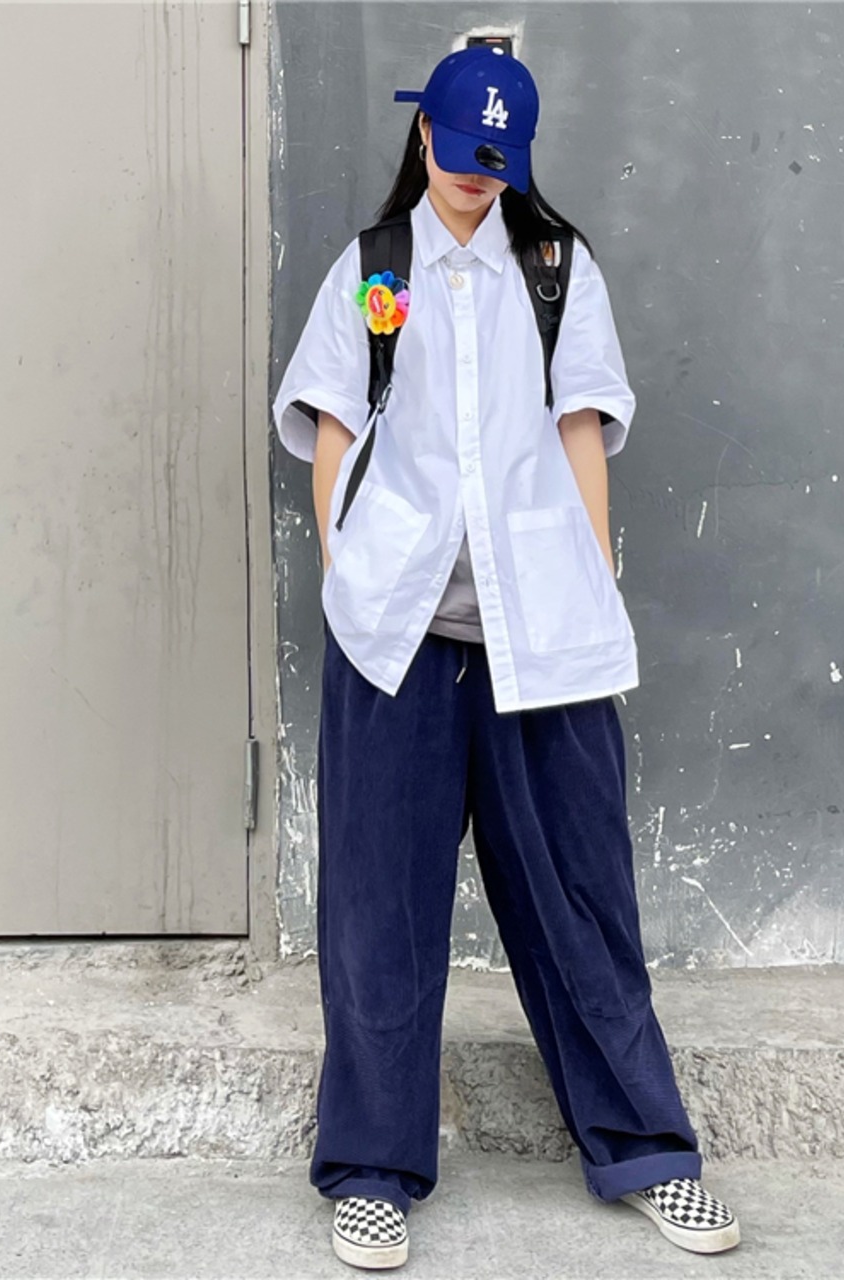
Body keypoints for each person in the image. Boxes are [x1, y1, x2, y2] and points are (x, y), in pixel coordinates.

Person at [272, 44, 741, 1271]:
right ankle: (371, 1170)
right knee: (378, 912)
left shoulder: (554, 270)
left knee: (583, 902)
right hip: (396, 640)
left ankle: (648, 1150)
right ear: (422, 133)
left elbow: (581, 428)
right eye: (461, 152)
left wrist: (588, 574)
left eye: (499, 162)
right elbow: (332, 426)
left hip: (540, 643)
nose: (476, 178)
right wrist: (344, 570)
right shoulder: (373, 268)